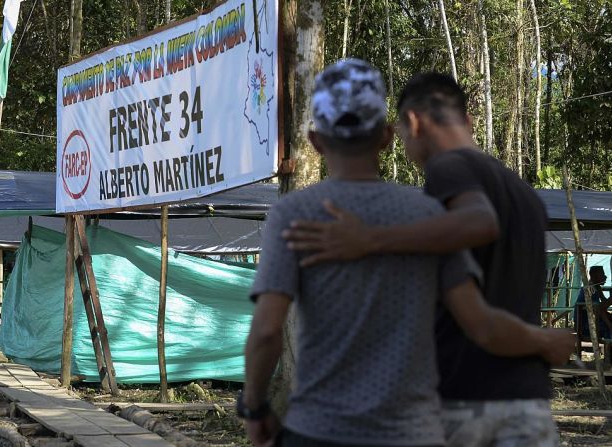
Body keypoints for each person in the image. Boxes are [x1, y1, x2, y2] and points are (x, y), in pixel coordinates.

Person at [241, 62, 575, 447]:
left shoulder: (295, 214)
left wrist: (253, 406)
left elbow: (267, 330)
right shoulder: (434, 213)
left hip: (327, 427)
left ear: (316, 141)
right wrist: (543, 340)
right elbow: (479, 320)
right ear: (385, 137)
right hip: (429, 428)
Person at [574, 265, 611, 338]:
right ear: (594, 276)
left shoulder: (596, 287)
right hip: (585, 326)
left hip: (590, 321)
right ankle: (608, 345)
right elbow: (598, 309)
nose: (605, 276)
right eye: (602, 274)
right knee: (608, 326)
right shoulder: (590, 289)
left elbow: (604, 303)